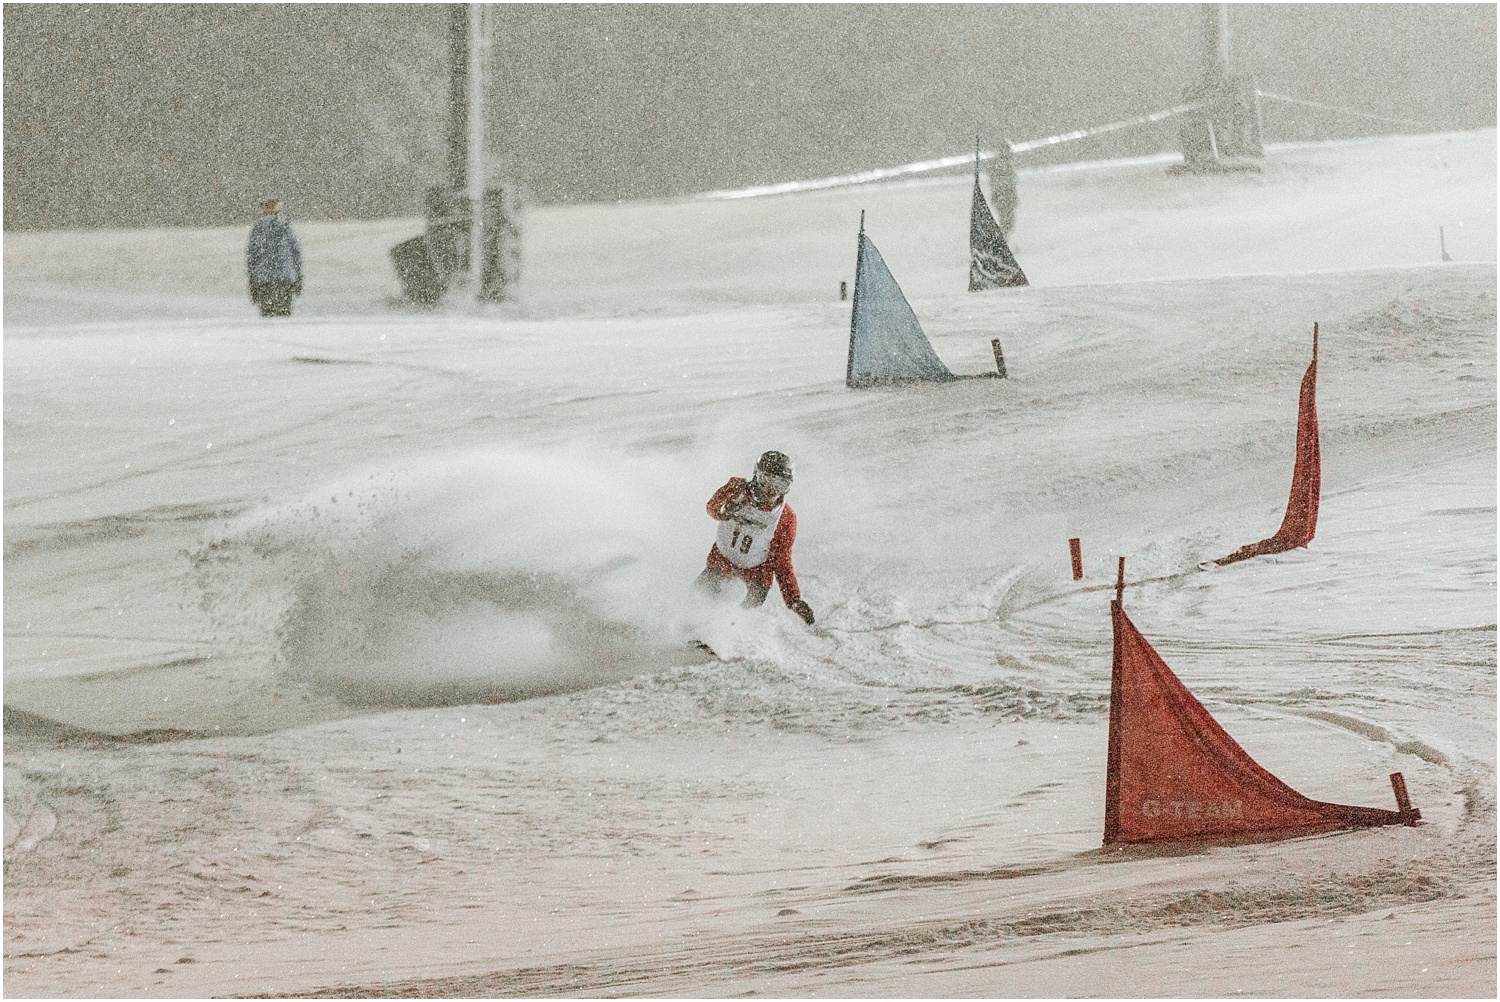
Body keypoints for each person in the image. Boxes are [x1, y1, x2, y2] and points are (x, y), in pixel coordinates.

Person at [695, 450, 815, 625]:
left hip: (756, 577)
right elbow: (712, 506)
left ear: (787, 487)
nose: (771, 490)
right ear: (756, 475)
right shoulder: (736, 488)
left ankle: (719, 633)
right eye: (766, 480)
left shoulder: (785, 517)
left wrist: (793, 599)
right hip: (722, 562)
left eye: (780, 484)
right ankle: (691, 626)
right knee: (699, 595)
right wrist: (723, 511)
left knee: (735, 599)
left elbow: (782, 561)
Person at [246, 199, 304, 317]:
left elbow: (252, 255)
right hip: (285, 277)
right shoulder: (285, 226)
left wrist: (252, 279)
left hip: (263, 279)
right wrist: (298, 275)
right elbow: (296, 252)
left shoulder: (259, 228)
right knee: (284, 314)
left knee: (268, 315)